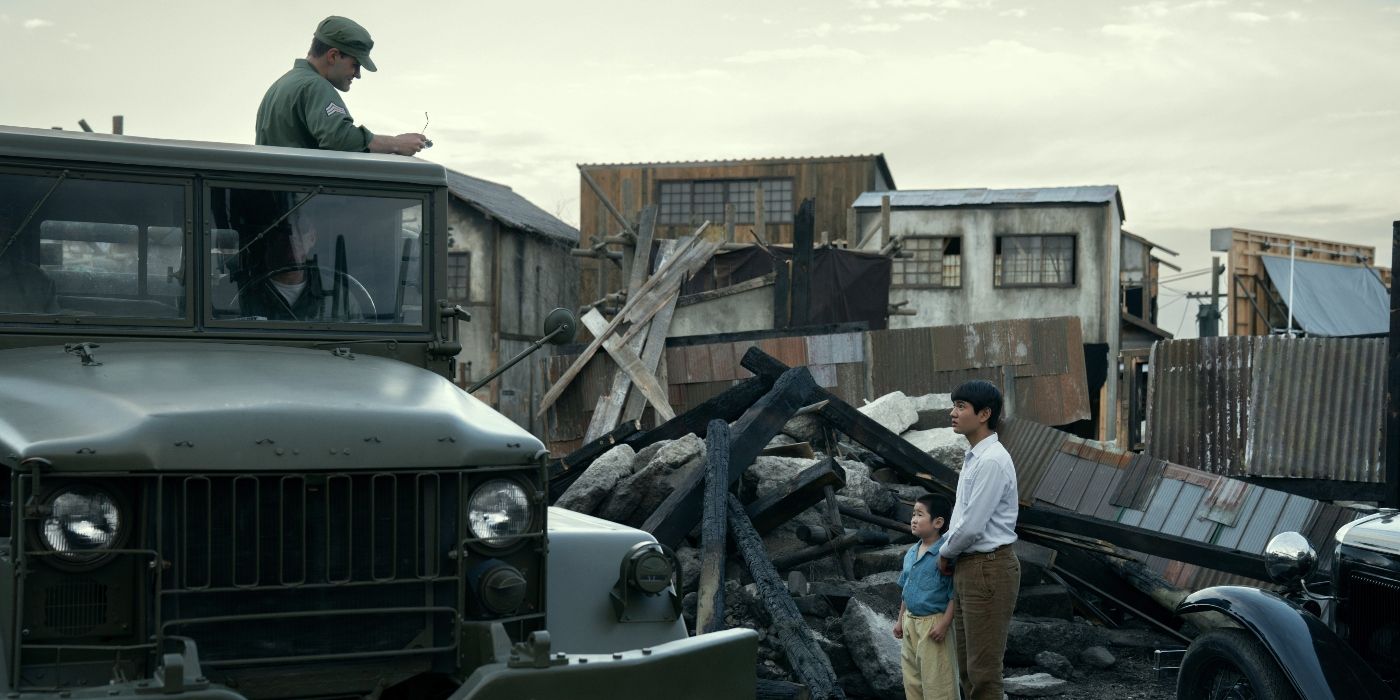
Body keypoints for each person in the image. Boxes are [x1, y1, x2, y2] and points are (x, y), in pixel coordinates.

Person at [938, 380, 1019, 700]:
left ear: (984, 414)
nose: (952, 412)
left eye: (961, 406)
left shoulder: (991, 460)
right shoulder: (976, 456)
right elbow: (963, 518)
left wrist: (943, 552)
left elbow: (971, 526)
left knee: (983, 672)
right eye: (954, 405)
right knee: (968, 670)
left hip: (988, 567)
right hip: (972, 567)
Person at [255, 16, 428, 155]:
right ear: (333, 56)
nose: (358, 74)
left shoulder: (284, 84)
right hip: (301, 196)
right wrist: (396, 144)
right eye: (355, 64)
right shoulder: (315, 86)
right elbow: (339, 138)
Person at [894, 493, 958, 700]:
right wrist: (900, 620)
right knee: (912, 680)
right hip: (910, 622)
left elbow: (954, 593)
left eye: (920, 514)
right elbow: (906, 589)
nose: (913, 519)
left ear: (938, 522)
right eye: (913, 514)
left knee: (938, 681)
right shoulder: (911, 552)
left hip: (933, 624)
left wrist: (944, 623)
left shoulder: (945, 555)